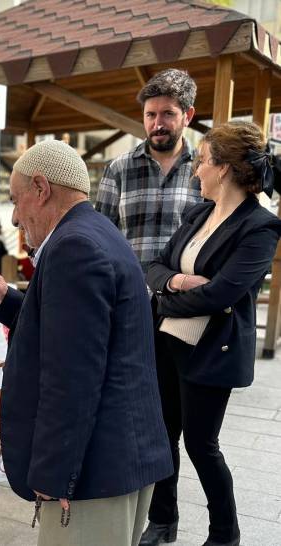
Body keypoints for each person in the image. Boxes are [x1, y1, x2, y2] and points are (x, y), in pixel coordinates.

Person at [0, 140, 173, 546]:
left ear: (41, 188)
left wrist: (52, 474)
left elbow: (72, 379)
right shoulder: (98, 232)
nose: (14, 217)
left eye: (15, 199)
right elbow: (80, 331)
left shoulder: (73, 247)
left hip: (93, 472)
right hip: (119, 458)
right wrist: (10, 300)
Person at [142, 121, 281, 546]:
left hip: (210, 352)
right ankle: (162, 522)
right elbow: (156, 267)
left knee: (202, 447)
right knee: (162, 438)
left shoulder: (259, 227)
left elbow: (222, 293)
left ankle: (225, 534)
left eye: (202, 161)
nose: (196, 170)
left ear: (222, 168)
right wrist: (179, 283)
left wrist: (163, 295)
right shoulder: (198, 213)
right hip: (166, 342)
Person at [96, 68, 201, 272]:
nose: (157, 124)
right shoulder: (118, 169)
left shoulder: (205, 169)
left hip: (184, 297)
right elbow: (100, 238)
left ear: (187, 116)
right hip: (129, 295)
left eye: (168, 114)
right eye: (150, 115)